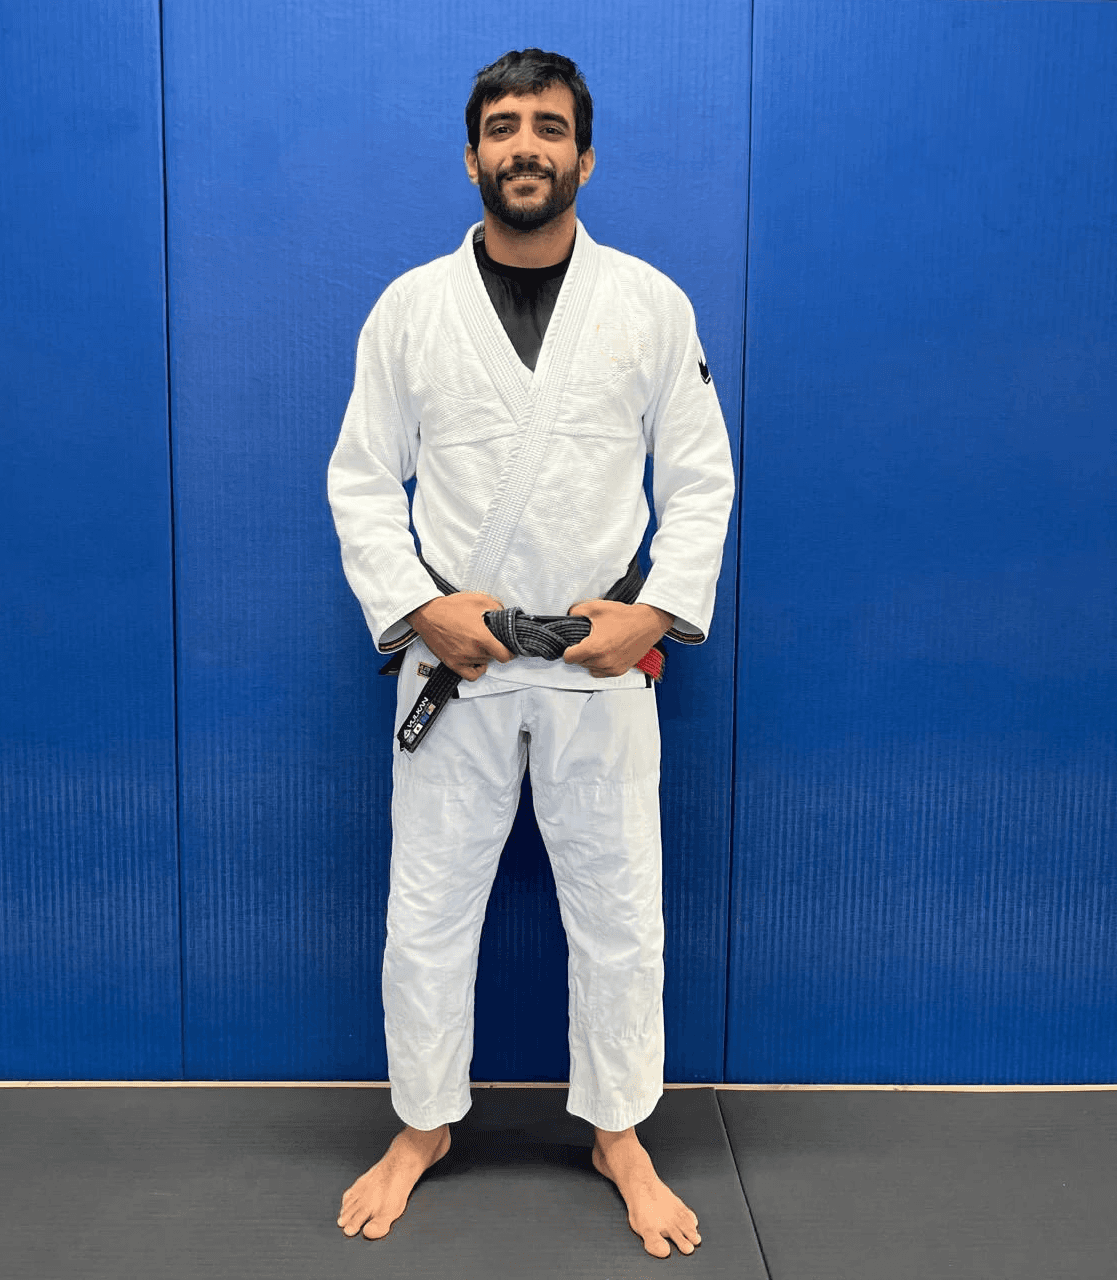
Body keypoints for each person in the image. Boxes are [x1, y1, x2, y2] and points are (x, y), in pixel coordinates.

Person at [326, 48, 734, 1260]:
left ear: (584, 155)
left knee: (619, 910)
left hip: (602, 662)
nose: (525, 146)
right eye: (502, 127)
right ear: (472, 155)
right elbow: (359, 481)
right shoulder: (409, 308)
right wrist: (417, 606)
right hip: (455, 663)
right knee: (428, 908)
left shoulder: (651, 304)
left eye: (548, 127)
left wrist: (655, 615)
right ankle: (422, 1123)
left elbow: (701, 481)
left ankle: (618, 1132)